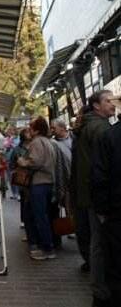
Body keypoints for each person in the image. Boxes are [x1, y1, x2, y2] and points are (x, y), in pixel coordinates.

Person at [72, 90, 116, 307]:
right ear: (97, 106)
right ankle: (101, 288)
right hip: (97, 196)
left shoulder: (88, 126)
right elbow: (103, 168)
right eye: (107, 100)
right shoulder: (101, 129)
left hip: (89, 194)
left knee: (97, 242)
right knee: (100, 243)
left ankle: (100, 286)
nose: (113, 104)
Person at [91, 95, 121, 307]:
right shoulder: (104, 132)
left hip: (116, 211)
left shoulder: (109, 135)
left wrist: (102, 209)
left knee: (115, 262)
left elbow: (99, 176)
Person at [18, 116, 56, 260]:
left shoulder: (36, 143)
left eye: (31, 127)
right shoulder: (48, 142)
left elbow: (35, 162)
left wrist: (22, 162)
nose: (29, 129)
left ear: (36, 129)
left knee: (39, 216)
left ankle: (46, 247)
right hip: (47, 182)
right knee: (40, 215)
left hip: (38, 183)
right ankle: (44, 244)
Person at [71, 105, 93, 273]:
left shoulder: (81, 134)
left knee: (85, 228)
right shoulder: (84, 134)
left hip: (83, 189)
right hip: (87, 190)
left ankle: (89, 259)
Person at [50, 119, 74, 248]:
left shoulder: (75, 138)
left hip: (78, 177)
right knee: (68, 205)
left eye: (54, 128)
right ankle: (72, 226)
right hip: (64, 178)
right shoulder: (53, 143)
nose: (52, 130)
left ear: (62, 128)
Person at [10, 128, 32, 228]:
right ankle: (24, 220)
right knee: (24, 200)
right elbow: (11, 164)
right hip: (23, 178)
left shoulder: (34, 146)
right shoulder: (17, 149)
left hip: (34, 177)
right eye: (27, 132)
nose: (30, 134)